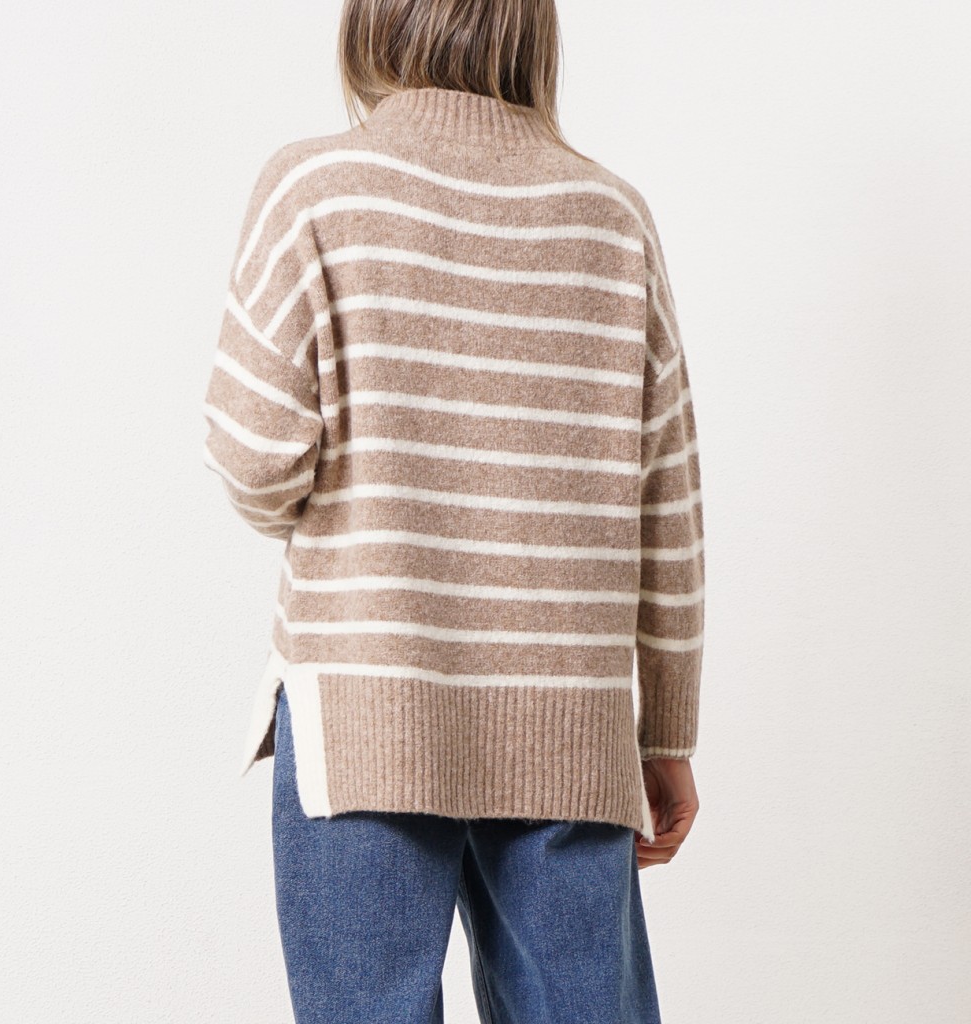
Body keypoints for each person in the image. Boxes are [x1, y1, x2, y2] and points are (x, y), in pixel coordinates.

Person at [201, 1, 705, 1020]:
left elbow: (256, 458)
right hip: (570, 729)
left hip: (365, 715)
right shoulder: (611, 218)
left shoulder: (313, 190)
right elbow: (668, 504)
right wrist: (667, 732)